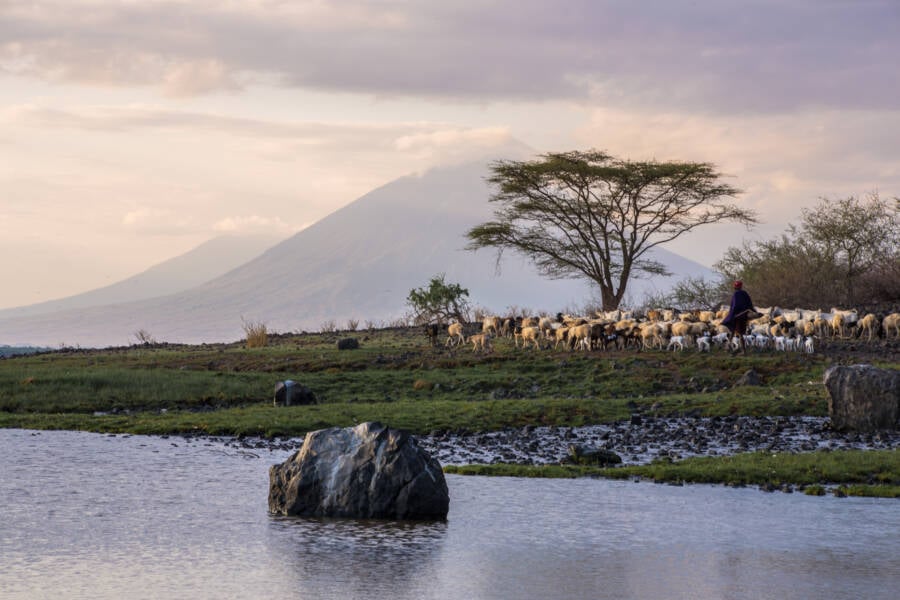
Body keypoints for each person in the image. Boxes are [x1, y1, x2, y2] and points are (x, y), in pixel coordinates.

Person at [722, 280, 756, 354]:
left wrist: (731, 315)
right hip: (744, 316)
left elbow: (734, 306)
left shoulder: (736, 294)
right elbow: (749, 303)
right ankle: (728, 347)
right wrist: (752, 310)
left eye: (735, 285)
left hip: (737, 316)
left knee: (737, 333)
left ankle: (743, 351)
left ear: (736, 286)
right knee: (734, 331)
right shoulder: (745, 293)